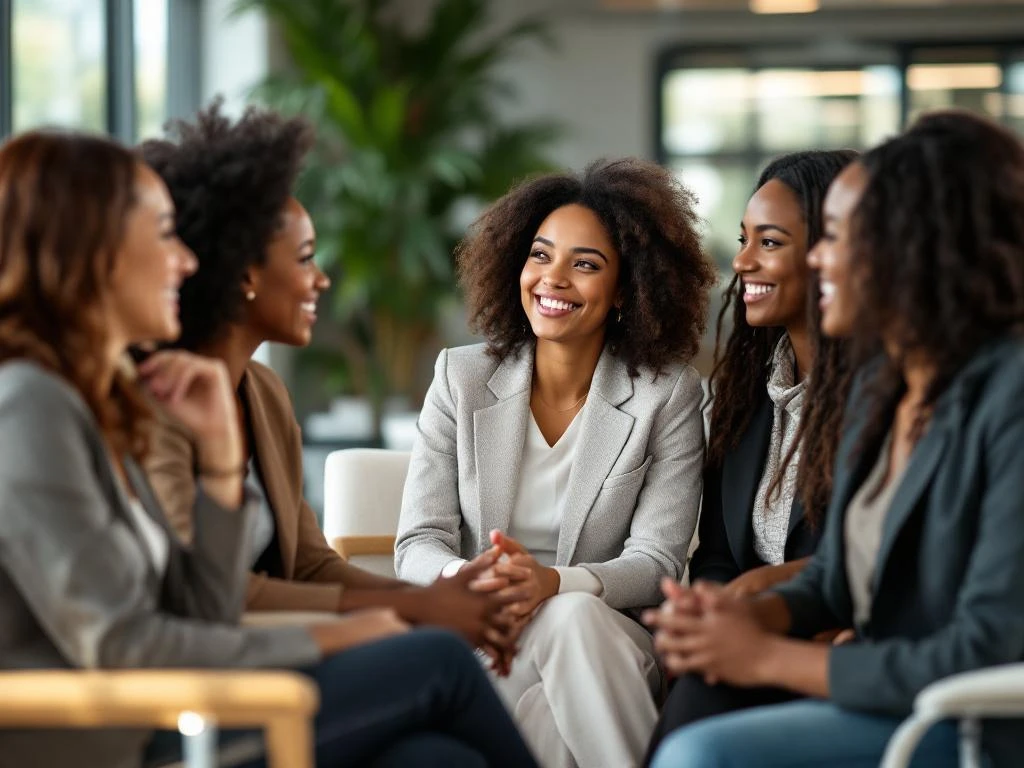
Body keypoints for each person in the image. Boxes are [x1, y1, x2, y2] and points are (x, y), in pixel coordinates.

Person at [0, 129, 538, 768]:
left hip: (174, 710)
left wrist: (223, 466)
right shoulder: (29, 404)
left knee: (436, 761)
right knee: (440, 661)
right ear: (96, 249)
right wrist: (346, 633)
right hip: (114, 737)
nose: (188, 261)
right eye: (164, 234)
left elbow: (201, 608)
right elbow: (122, 642)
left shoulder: (102, 398)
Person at [645, 110, 1024, 768]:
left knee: (701, 756)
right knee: (701, 705)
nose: (818, 255)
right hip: (881, 697)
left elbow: (987, 646)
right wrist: (738, 623)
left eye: (837, 236)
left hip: (967, 722)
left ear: (911, 249)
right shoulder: (883, 392)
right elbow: (832, 582)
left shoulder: (1010, 395)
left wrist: (770, 656)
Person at [139, 102, 516, 654]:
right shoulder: (158, 401)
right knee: (437, 661)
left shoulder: (263, 394)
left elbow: (311, 565)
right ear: (245, 273)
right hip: (234, 660)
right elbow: (209, 596)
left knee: (437, 735)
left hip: (290, 644)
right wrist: (414, 608)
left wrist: (441, 600)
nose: (321, 280)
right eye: (305, 258)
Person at [395, 158, 717, 768]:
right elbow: (418, 542)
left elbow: (657, 563)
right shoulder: (460, 378)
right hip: (481, 635)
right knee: (544, 721)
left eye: (586, 264)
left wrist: (554, 584)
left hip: (602, 639)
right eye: (540, 255)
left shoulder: (665, 394)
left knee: (569, 619)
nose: (554, 278)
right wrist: (476, 586)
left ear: (626, 289)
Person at [645, 150, 857, 760]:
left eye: (769, 241)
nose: (741, 262)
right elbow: (716, 556)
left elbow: (870, 560)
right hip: (750, 649)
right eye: (743, 239)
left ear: (833, 251)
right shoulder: (745, 395)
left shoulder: (891, 398)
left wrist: (760, 601)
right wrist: (713, 608)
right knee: (697, 686)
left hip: (827, 653)